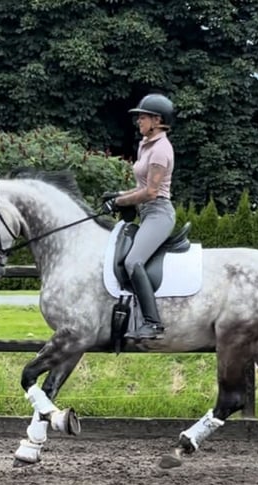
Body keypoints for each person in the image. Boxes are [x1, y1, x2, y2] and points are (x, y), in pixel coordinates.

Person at [102, 93, 176, 340]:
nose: (139, 122)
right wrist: (118, 194)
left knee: (134, 261)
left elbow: (152, 191)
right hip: (146, 213)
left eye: (142, 117)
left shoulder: (161, 150)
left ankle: (153, 323)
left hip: (159, 213)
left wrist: (119, 201)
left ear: (157, 120)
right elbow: (141, 186)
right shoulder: (146, 146)